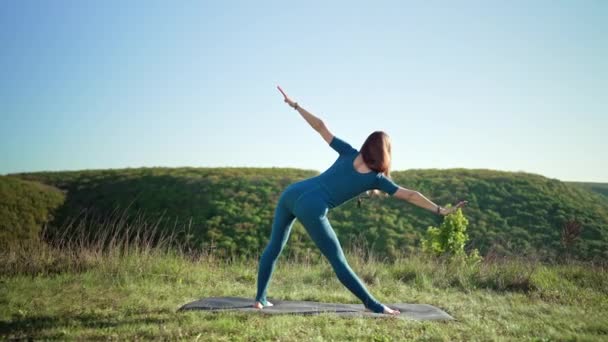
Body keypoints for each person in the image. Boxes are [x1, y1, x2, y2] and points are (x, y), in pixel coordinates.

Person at [253, 86, 468, 315]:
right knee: (338, 262)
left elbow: (320, 126)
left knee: (274, 248)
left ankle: (260, 298)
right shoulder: (377, 179)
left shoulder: (348, 152)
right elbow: (410, 195)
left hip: (292, 192)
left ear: (367, 145)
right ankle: (373, 305)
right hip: (312, 207)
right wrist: (440, 210)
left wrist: (295, 106)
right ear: (386, 153)